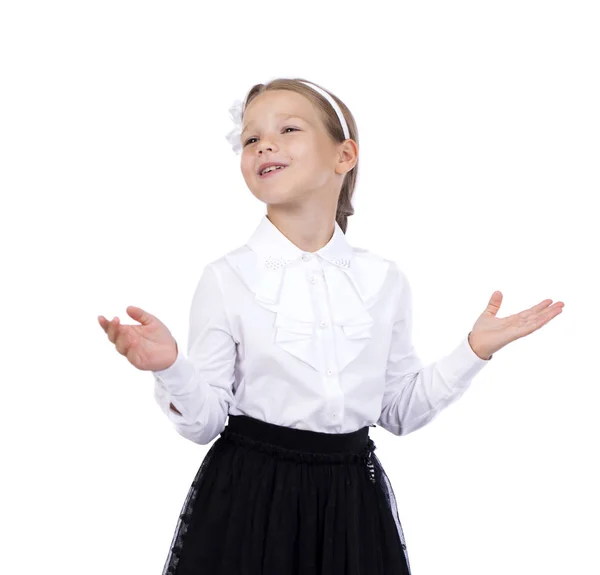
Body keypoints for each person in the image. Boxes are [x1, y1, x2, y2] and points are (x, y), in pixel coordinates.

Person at [98, 77, 564, 575]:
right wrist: (171, 367)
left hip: (351, 504)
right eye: (251, 138)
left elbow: (398, 411)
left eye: (288, 129)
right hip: (251, 501)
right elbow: (205, 422)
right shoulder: (227, 279)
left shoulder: (383, 280)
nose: (264, 144)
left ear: (344, 157)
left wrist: (473, 350)